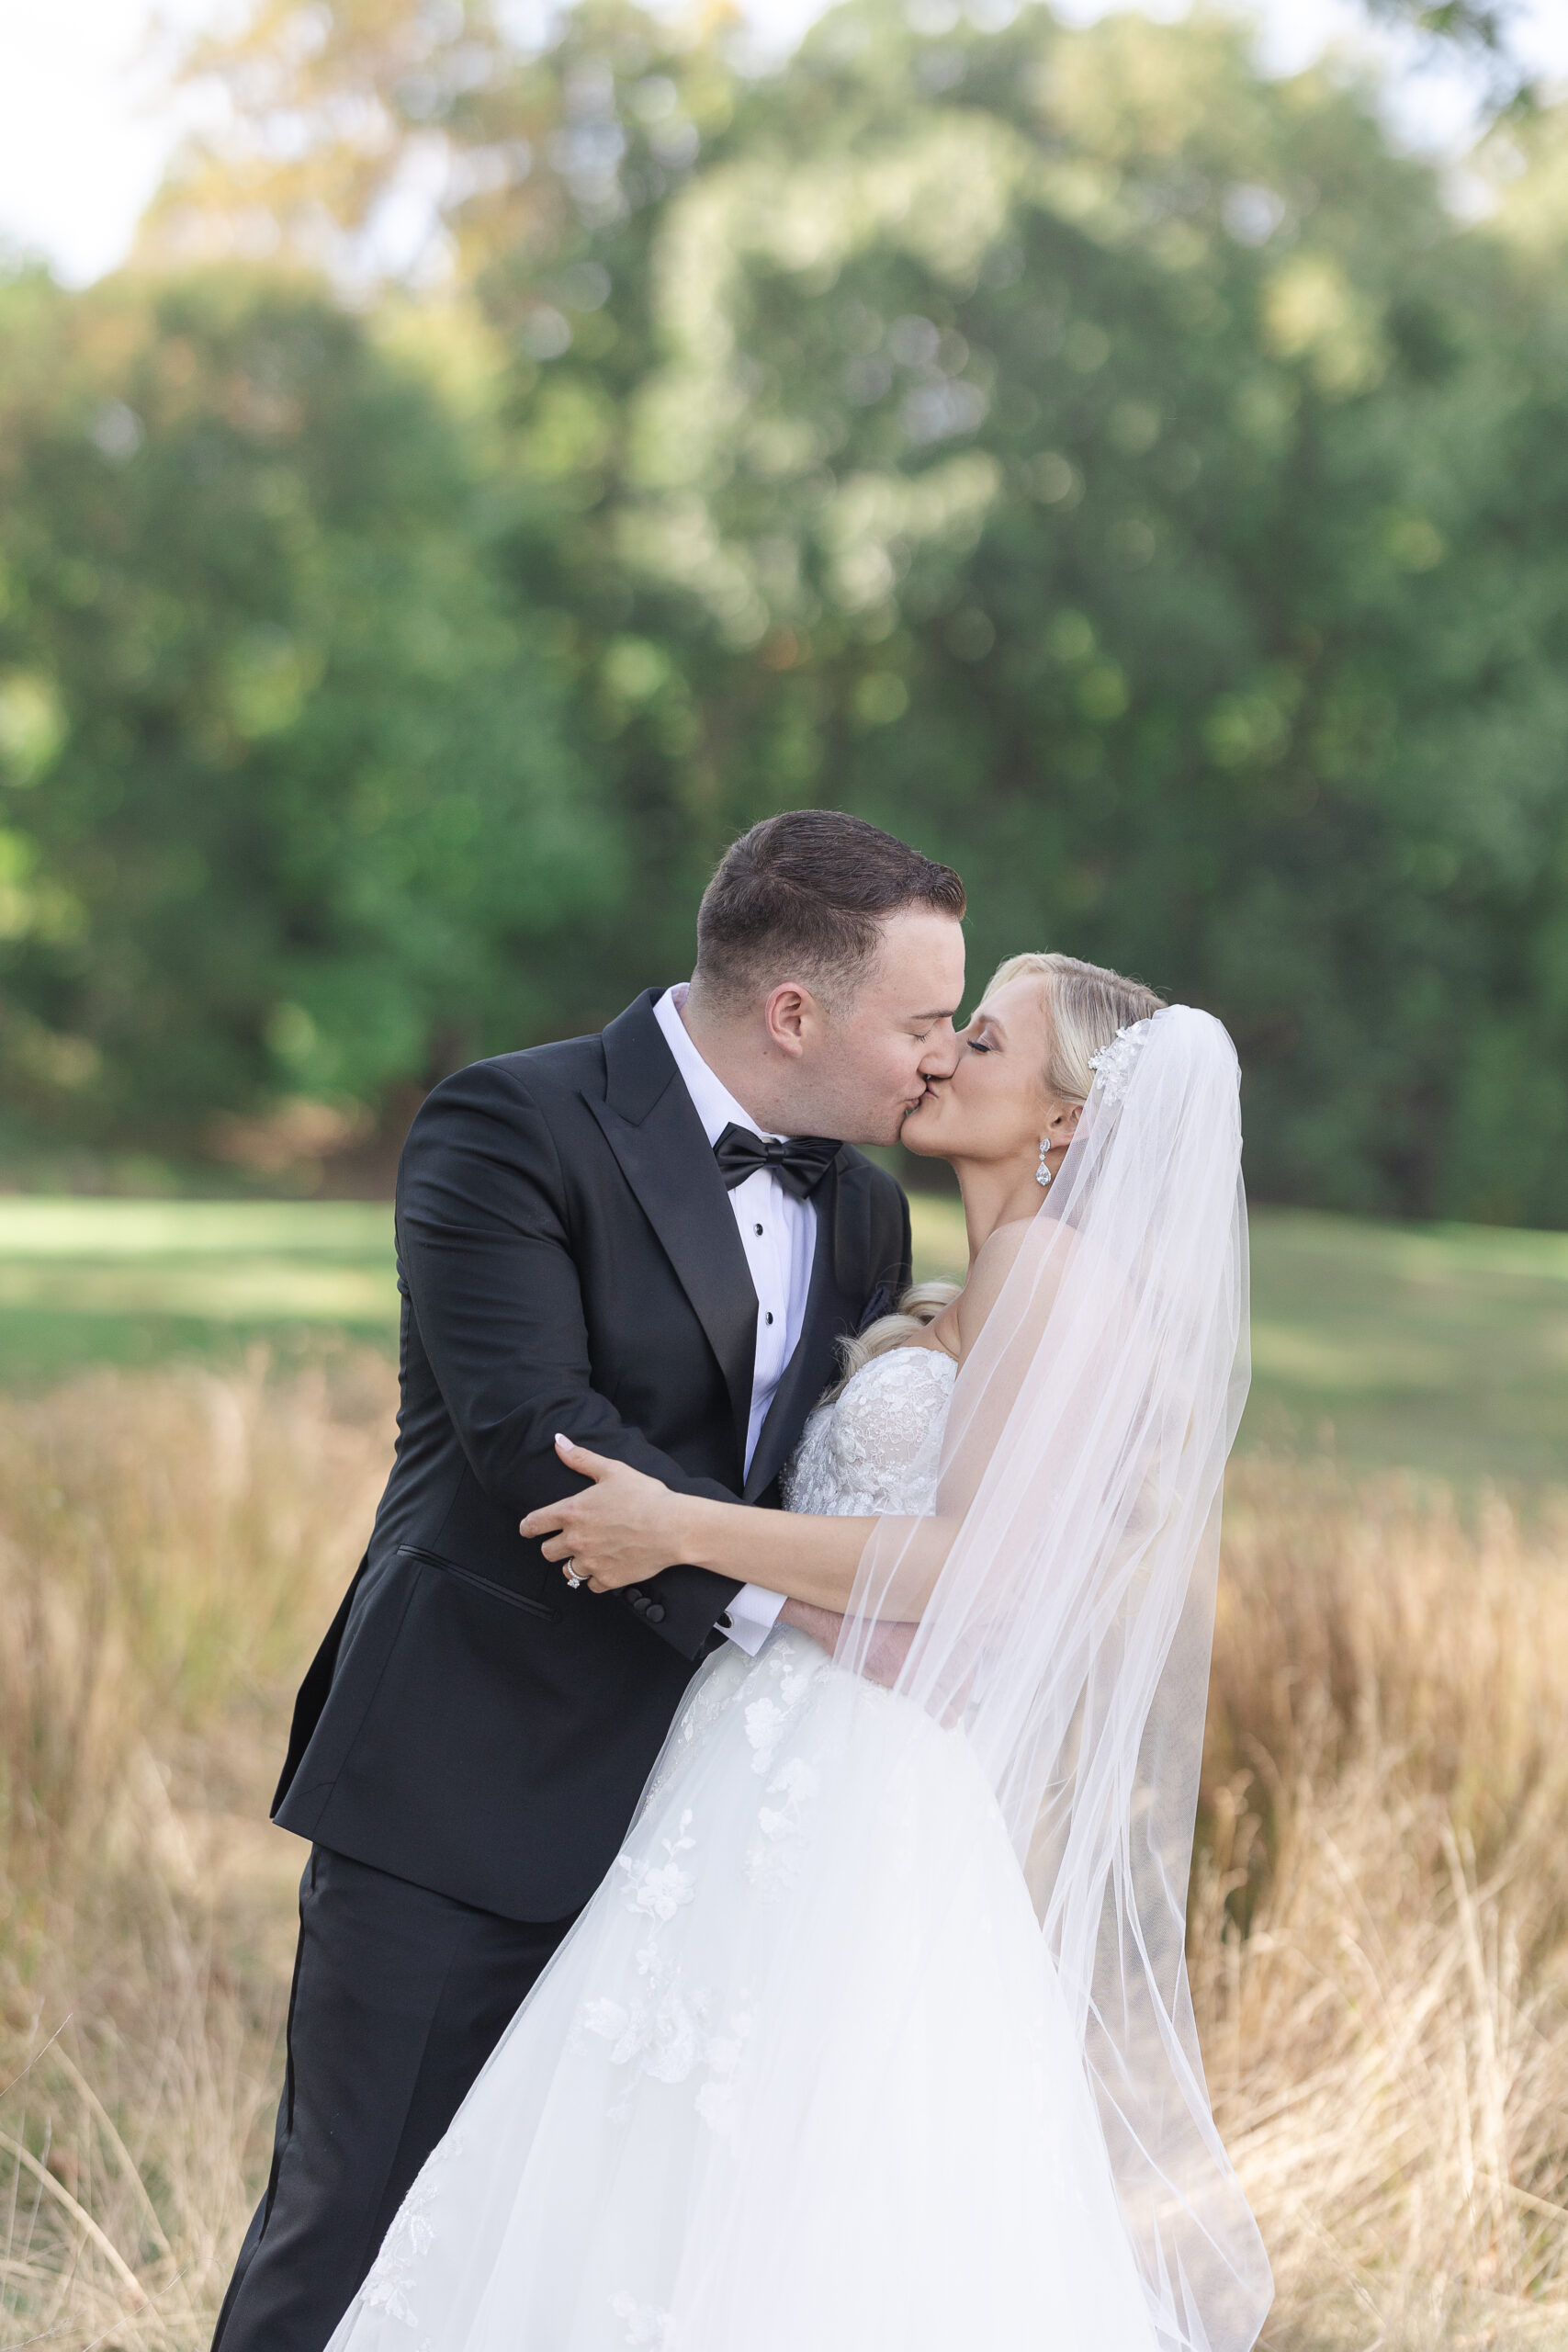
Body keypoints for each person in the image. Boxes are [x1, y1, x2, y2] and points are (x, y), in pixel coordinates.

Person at [324, 953, 1274, 2352]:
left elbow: (976, 1572)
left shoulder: (1055, 1282)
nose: (941, 1055)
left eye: (984, 1039)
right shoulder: (943, 1261)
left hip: (854, 1791)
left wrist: (682, 1527)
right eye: (943, 1025)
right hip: (751, 1756)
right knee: (664, 2184)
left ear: (1064, 1120)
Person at [210, 809, 969, 2352]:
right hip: (465, 1787)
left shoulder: (871, 1211)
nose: (940, 1061)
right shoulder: (507, 1125)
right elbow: (538, 1441)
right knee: (354, 2235)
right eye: (921, 1022)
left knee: (584, 2273)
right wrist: (797, 1612)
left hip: (719, 1842)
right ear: (795, 1014)